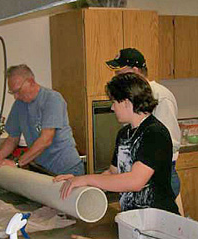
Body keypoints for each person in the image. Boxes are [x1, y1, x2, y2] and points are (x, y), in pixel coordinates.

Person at [54, 72, 179, 215]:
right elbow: (112, 173)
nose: (112, 108)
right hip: (132, 218)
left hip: (157, 222)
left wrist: (87, 179)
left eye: (114, 102)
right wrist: (80, 182)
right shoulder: (124, 134)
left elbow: (135, 181)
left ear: (126, 102)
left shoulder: (155, 133)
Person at [106, 48, 181, 198]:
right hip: (137, 170)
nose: (117, 78)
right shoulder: (126, 129)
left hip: (158, 174)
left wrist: (141, 165)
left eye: (120, 73)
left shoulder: (161, 96)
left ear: (135, 71)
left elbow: (168, 141)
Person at [0, 64, 85, 176]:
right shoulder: (19, 105)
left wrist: (17, 163)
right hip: (42, 169)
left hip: (66, 169)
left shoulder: (52, 99)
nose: (16, 96)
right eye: (12, 93)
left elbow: (46, 139)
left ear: (31, 82)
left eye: (18, 91)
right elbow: (12, 138)